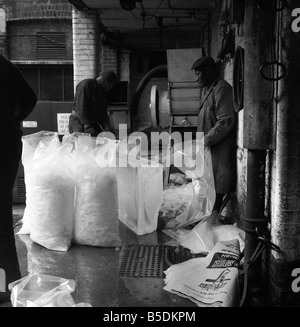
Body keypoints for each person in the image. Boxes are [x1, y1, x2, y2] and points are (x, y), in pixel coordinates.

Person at [0, 54, 37, 304]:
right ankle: (6, 285)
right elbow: (29, 98)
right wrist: (12, 119)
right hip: (7, 143)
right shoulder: (3, 65)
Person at [191, 56, 237, 214]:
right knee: (208, 187)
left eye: (198, 74)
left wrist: (205, 140)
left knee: (217, 188)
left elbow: (225, 121)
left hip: (219, 149)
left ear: (208, 71)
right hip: (209, 149)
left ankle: (211, 222)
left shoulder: (222, 89)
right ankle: (208, 220)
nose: (196, 78)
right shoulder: (207, 89)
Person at [68, 70, 118, 137]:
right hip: (78, 122)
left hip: (92, 122)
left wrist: (107, 129)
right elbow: (81, 108)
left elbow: (103, 112)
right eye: (111, 85)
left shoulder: (103, 92)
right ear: (106, 81)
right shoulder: (86, 85)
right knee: (82, 144)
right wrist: (87, 127)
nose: (110, 87)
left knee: (100, 141)